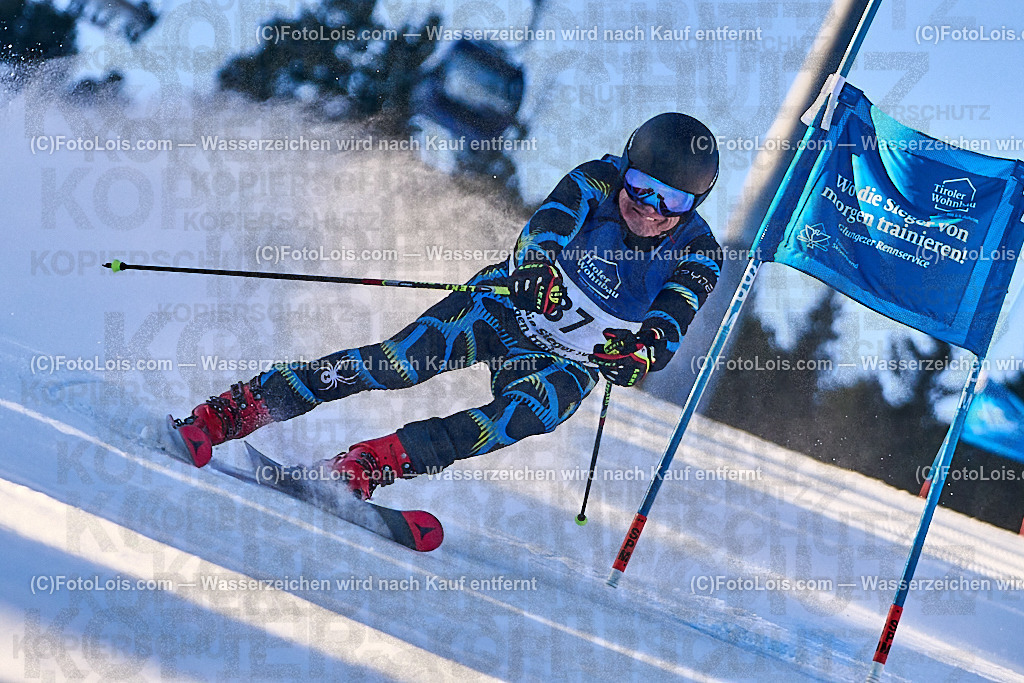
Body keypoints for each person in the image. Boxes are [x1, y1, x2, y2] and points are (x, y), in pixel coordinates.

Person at [171, 113, 724, 501]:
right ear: (624, 168)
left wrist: (641, 354)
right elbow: (547, 226)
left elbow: (672, 318)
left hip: (566, 360)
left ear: (694, 205)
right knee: (398, 364)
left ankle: (370, 463)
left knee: (524, 416)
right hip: (503, 310)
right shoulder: (596, 181)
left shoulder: (699, 252)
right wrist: (534, 269)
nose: (649, 207)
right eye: (640, 185)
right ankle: (237, 409)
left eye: (672, 200)